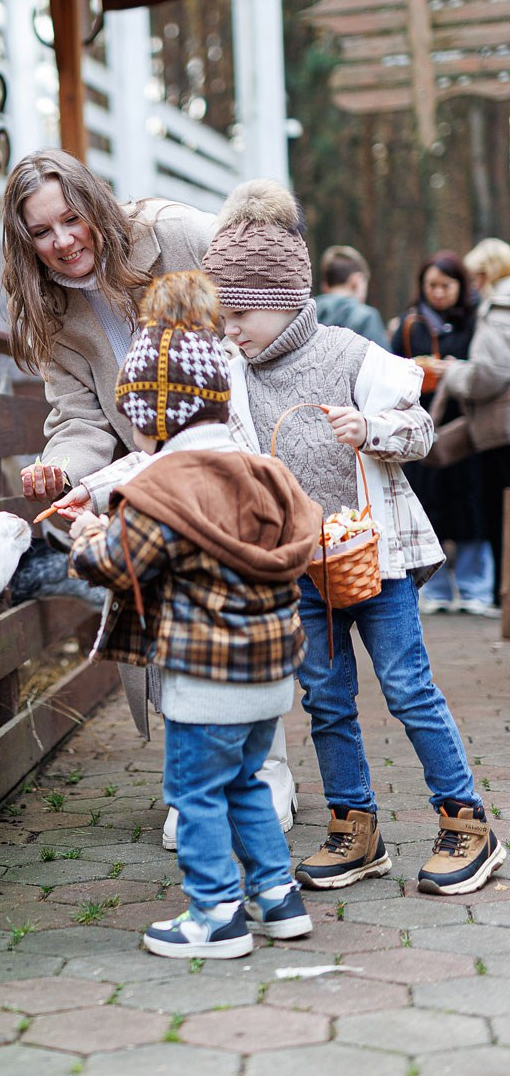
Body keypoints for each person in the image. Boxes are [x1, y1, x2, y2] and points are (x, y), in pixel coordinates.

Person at [201, 178, 506, 897]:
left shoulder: (348, 354)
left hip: (377, 562)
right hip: (302, 569)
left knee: (407, 687)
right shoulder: (234, 376)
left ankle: (467, 823)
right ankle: (354, 826)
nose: (230, 329)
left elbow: (420, 429)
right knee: (325, 699)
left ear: (281, 298)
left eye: (240, 313)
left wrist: (370, 429)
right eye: (223, 315)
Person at [0, 149, 299, 840]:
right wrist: (60, 470)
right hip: (155, 478)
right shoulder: (50, 309)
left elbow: (266, 282)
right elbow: (78, 420)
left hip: (240, 451)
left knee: (244, 612)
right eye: (41, 232)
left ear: (94, 205)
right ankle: (202, 783)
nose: (62, 241)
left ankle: (266, 772)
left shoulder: (175, 233)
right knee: (171, 617)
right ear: (23, 242)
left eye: (71, 219)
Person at [67, 270, 319, 957]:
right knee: (245, 784)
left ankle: (215, 914)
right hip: (269, 674)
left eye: (135, 415)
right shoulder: (263, 474)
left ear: (155, 414)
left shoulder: (164, 487)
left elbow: (117, 564)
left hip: (206, 681)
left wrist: (87, 535)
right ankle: (277, 898)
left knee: (195, 792)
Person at [391, 251, 496, 617]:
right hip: (423, 425)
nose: (437, 292)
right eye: (431, 285)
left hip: (465, 426)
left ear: (460, 286)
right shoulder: (410, 324)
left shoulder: (477, 320)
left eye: (445, 285)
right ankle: (432, 589)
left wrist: (457, 370)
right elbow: (391, 367)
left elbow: (485, 368)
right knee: (428, 506)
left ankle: (474, 589)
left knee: (472, 507)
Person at [439, 236, 510, 612]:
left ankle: (502, 595)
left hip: (501, 430)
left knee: (501, 514)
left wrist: (453, 375)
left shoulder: (498, 308)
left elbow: (490, 373)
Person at [315, 245, 388, 347]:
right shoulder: (366, 317)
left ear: (325, 285)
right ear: (356, 280)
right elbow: (381, 356)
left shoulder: (306, 312)